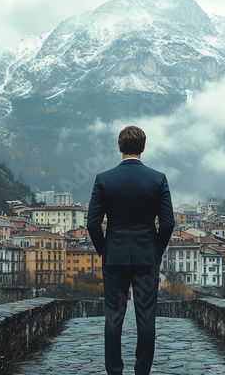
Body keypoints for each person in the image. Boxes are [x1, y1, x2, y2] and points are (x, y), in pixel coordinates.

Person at [87, 125, 175, 375]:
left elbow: (93, 223)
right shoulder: (158, 179)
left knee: (113, 317)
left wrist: (105, 250)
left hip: (114, 257)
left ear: (120, 147)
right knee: (146, 317)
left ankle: (114, 371)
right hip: (146, 258)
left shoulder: (104, 179)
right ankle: (142, 371)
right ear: (143, 148)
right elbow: (168, 223)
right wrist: (155, 251)